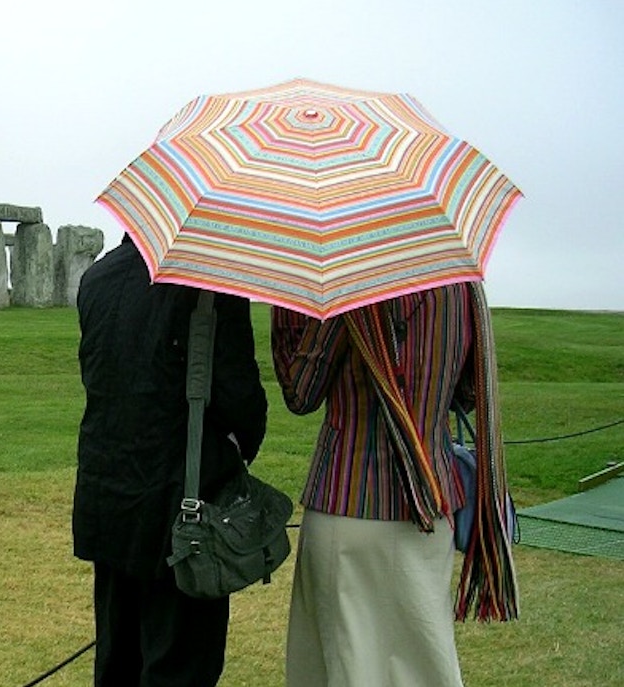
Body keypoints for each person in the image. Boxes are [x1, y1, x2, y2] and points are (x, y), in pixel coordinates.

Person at [271, 281, 518, 687]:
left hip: (347, 501)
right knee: (423, 666)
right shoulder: (459, 283)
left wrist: (290, 310)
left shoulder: (348, 283)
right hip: (432, 504)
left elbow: (301, 392)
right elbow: (468, 392)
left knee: (348, 667)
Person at [72, 235, 268, 687]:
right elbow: (240, 399)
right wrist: (241, 447)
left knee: (117, 662)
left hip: (108, 497)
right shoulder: (210, 282)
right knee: (181, 667)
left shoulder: (96, 279)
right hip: (184, 506)